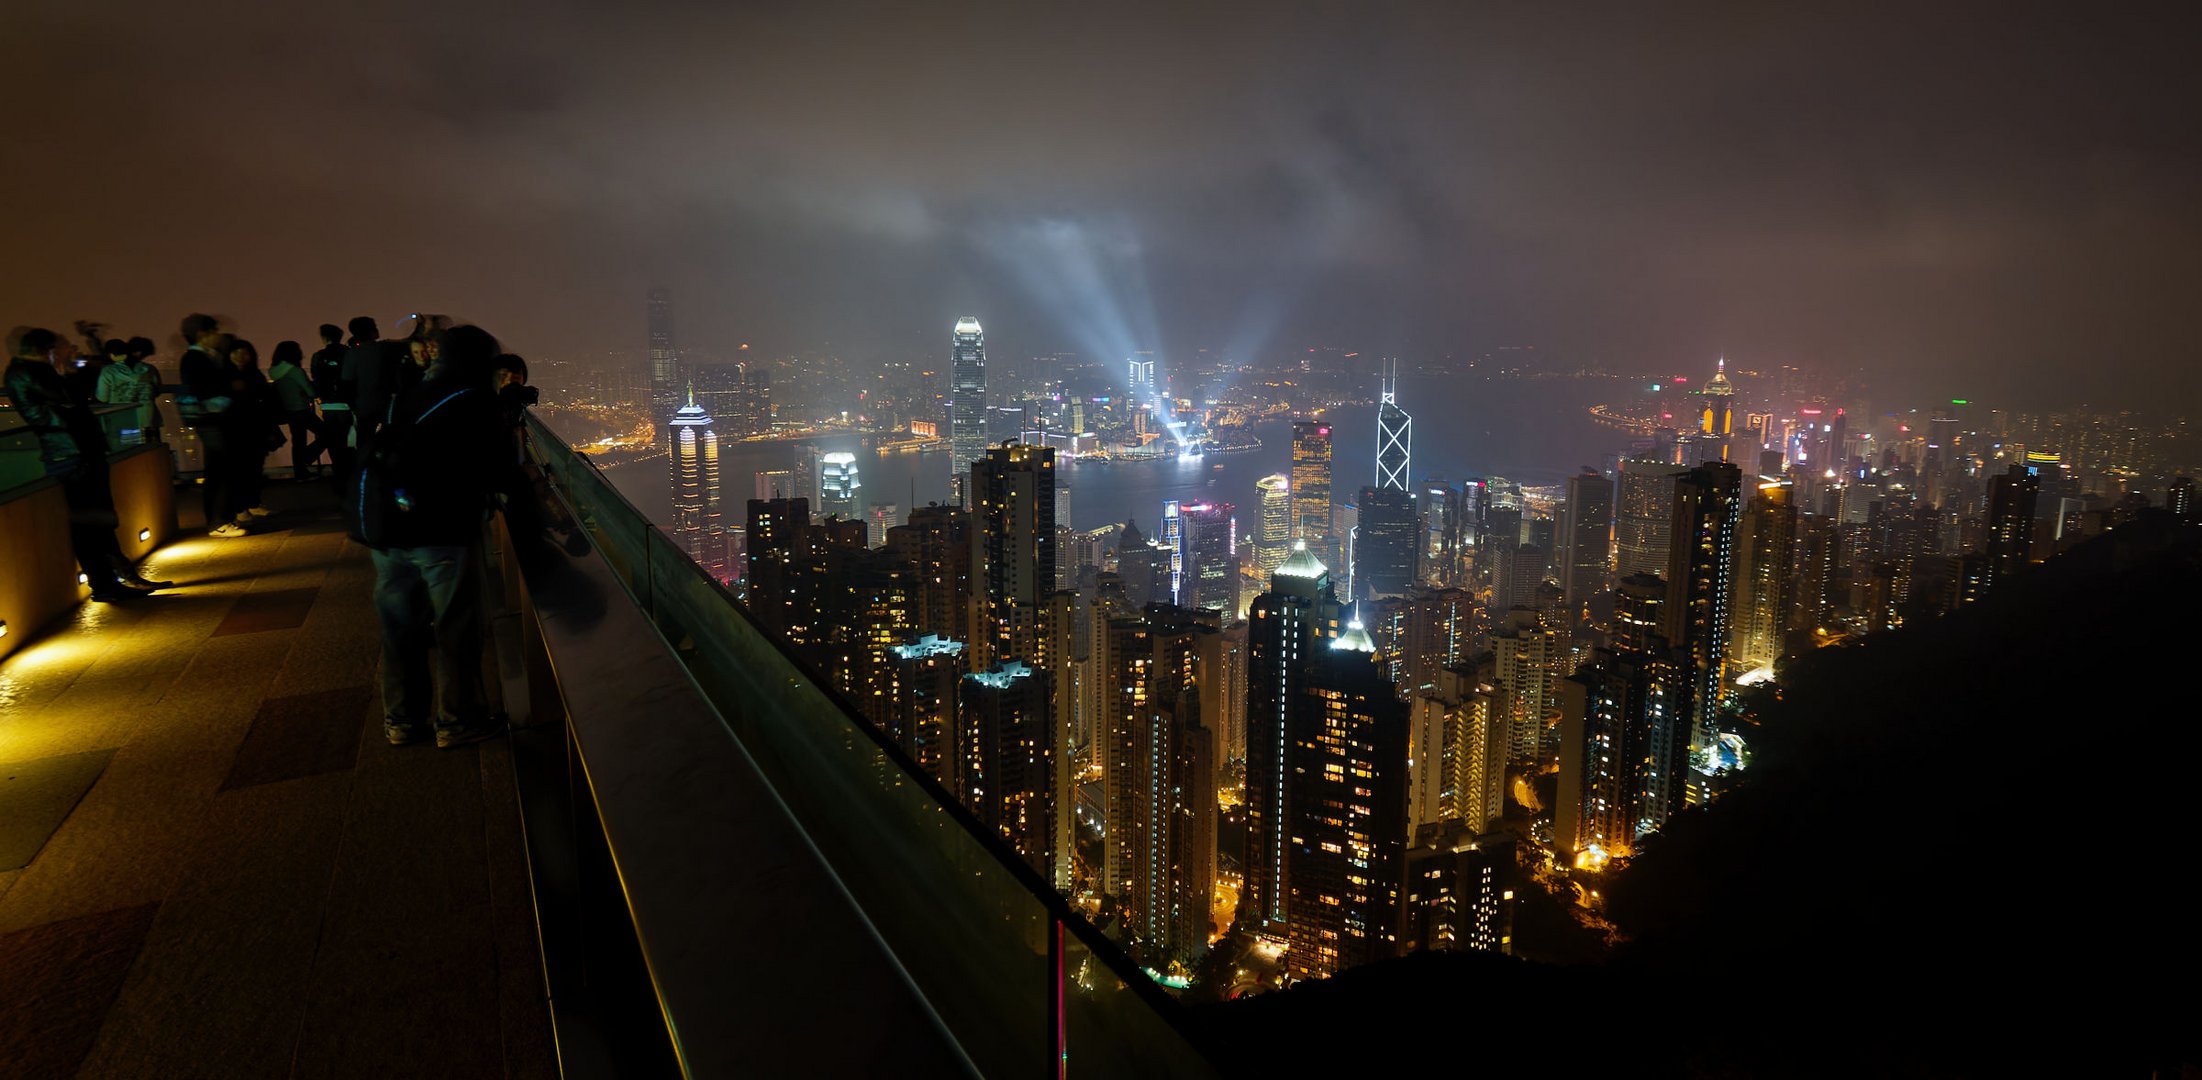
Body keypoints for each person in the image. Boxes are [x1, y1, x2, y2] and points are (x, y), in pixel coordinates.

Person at [365, 322, 506, 749]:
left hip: (389, 530)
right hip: (443, 532)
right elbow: (497, 469)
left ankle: (402, 721)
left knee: (399, 628)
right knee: (455, 627)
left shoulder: (404, 393)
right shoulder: (473, 399)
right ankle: (457, 720)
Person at [5, 326, 171, 599]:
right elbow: (67, 400)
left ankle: (120, 578)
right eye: (61, 346)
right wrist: (70, 368)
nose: (67, 351)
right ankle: (106, 584)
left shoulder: (32, 372)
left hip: (78, 452)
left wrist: (69, 369)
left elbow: (71, 399)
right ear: (44, 350)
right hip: (71, 454)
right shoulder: (28, 373)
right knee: (91, 523)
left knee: (100, 520)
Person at [177, 313, 252, 537]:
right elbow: (205, 391)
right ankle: (219, 520)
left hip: (211, 421)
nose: (218, 336)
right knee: (220, 469)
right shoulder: (196, 359)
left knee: (220, 469)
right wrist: (230, 391)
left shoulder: (202, 358)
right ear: (203, 334)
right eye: (214, 331)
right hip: (212, 421)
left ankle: (222, 518)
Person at [226, 338, 277, 518]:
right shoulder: (227, 376)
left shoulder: (254, 375)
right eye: (236, 352)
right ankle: (242, 507)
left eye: (244, 352)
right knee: (240, 469)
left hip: (256, 428)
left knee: (255, 467)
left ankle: (252, 502)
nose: (241, 356)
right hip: (237, 429)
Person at [267, 340, 325, 480]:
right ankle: (307, 456)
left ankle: (300, 472)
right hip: (302, 410)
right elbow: (311, 392)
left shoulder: (274, 372)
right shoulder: (295, 371)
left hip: (289, 411)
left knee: (298, 441)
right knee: (328, 433)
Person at [96, 336, 163, 443]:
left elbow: (102, 398)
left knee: (131, 454)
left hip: (123, 421)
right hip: (149, 419)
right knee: (153, 452)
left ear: (111, 355)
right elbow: (157, 390)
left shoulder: (108, 372)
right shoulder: (150, 369)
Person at [309, 323, 353, 485]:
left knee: (334, 442)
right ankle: (349, 474)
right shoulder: (348, 353)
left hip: (327, 404)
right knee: (347, 441)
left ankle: (339, 473)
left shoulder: (318, 356)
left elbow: (315, 378)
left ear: (324, 337)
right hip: (347, 404)